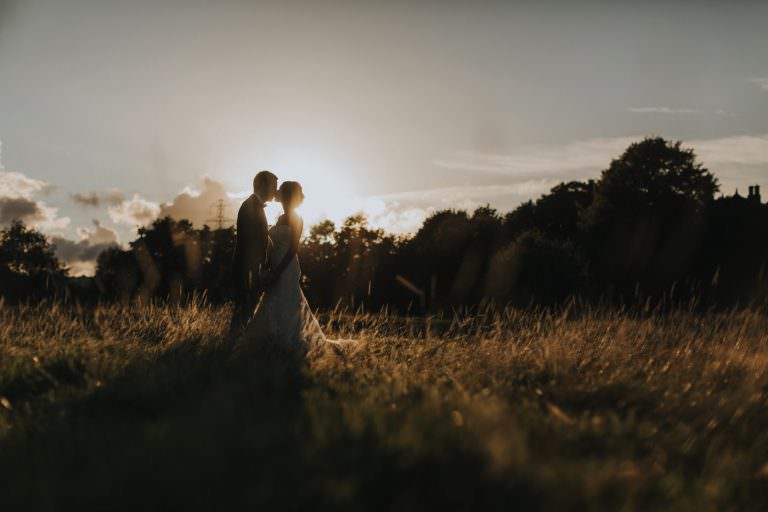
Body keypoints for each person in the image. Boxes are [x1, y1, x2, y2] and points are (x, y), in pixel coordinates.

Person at [240, 181, 352, 353]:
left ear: (288, 197)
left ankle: (289, 337)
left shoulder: (297, 218)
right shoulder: (279, 218)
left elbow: (293, 249)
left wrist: (278, 271)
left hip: (287, 265)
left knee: (287, 298)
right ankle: (270, 337)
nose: (279, 196)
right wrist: (268, 267)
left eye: (283, 194)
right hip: (275, 264)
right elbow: (271, 245)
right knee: (272, 299)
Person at [229, 170, 278, 335]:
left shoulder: (255, 206)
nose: (275, 191)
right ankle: (232, 347)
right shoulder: (250, 206)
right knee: (244, 308)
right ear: (263, 185)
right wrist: (258, 270)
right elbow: (250, 243)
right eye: (274, 186)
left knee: (247, 309)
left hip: (250, 267)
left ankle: (237, 346)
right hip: (247, 268)